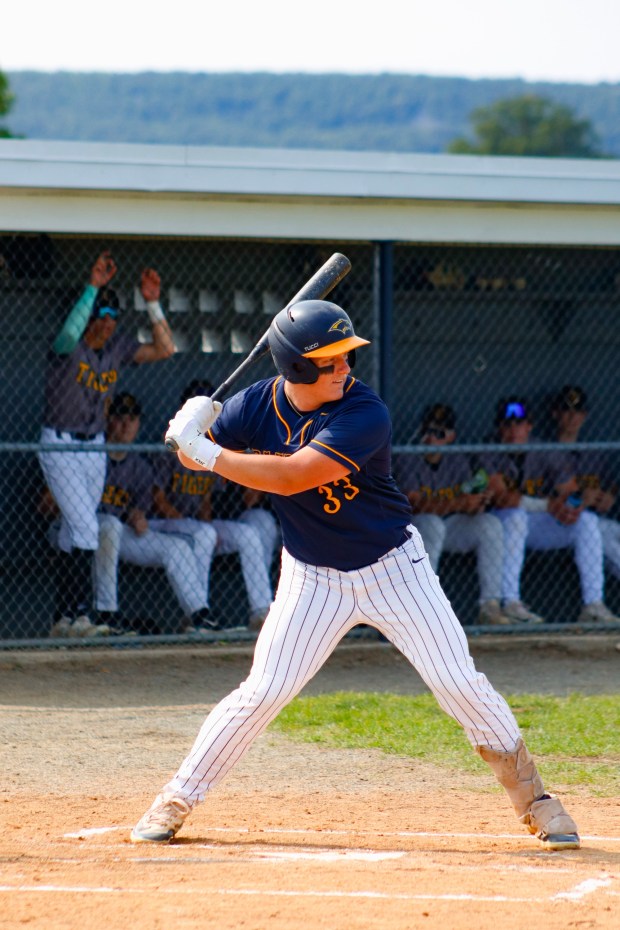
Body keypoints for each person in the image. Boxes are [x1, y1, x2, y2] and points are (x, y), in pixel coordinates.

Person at [129, 298, 579, 851]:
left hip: (394, 569)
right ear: (297, 368)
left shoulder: (365, 412)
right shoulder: (253, 406)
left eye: (348, 357)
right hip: (312, 577)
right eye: (333, 360)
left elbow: (295, 476)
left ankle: (536, 801)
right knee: (264, 691)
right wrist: (197, 425)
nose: (347, 368)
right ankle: (176, 798)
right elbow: (194, 454)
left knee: (456, 680)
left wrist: (207, 451)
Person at [38, 250, 175, 637]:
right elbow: (69, 335)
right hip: (60, 443)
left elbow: (166, 349)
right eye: (101, 316)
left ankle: (63, 619)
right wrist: (92, 290)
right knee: (85, 528)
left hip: (94, 445)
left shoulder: (116, 349)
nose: (106, 325)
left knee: (72, 531)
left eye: (113, 318)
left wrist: (151, 302)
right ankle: (82, 615)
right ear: (89, 316)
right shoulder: (68, 345)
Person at [479, 396, 619, 625]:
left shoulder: (542, 449)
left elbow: (570, 489)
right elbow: (503, 497)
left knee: (587, 520)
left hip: (538, 524)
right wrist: (549, 505)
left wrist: (572, 507)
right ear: (499, 428)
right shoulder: (488, 449)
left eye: (520, 424)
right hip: (501, 523)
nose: (514, 430)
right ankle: (511, 602)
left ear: (530, 426)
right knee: (516, 517)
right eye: (507, 424)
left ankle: (594, 604)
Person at [150, 380, 276, 631]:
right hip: (164, 524)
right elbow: (158, 500)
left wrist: (203, 525)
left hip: (197, 524)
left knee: (247, 535)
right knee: (203, 534)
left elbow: (206, 500)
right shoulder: (172, 441)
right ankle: (199, 618)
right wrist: (195, 526)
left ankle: (261, 613)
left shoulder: (212, 444)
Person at [395, 403, 531, 625]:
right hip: (415, 530)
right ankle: (421, 607)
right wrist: (458, 503)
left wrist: (477, 504)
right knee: (432, 524)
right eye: (427, 431)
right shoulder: (408, 457)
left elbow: (469, 496)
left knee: (490, 523)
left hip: (451, 527)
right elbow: (415, 505)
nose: (431, 438)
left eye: (439, 433)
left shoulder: (457, 459)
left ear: (451, 437)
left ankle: (490, 606)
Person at [94, 392, 214, 633]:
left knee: (175, 547)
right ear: (108, 420)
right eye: (120, 417)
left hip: (119, 534)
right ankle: (105, 614)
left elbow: (141, 507)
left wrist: (137, 515)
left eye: (132, 417)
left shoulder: (139, 466)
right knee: (110, 525)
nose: (127, 423)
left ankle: (199, 617)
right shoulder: (91, 455)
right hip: (85, 531)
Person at [551, 385, 620, 583]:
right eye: (567, 411)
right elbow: (545, 498)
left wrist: (609, 497)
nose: (573, 418)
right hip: (562, 524)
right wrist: (580, 498)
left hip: (599, 522)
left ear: (585, 415)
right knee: (604, 537)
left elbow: (610, 485)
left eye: (578, 412)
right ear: (555, 414)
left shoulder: (593, 453)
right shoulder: (546, 453)